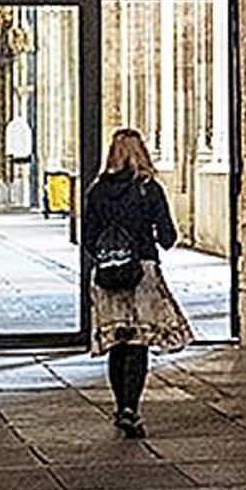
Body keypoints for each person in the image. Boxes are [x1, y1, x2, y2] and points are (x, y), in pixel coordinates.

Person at [83, 129, 192, 438]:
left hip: (107, 275)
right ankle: (131, 408)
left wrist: (109, 255)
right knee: (138, 342)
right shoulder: (148, 189)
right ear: (141, 152)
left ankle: (120, 407)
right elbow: (168, 237)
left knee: (118, 341)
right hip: (141, 272)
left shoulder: (98, 190)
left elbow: (88, 238)